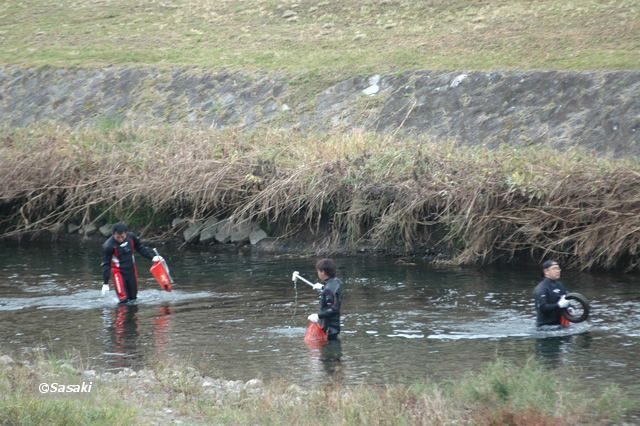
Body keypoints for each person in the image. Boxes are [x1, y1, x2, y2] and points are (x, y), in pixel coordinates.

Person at [101, 222, 162, 303]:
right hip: (118, 274)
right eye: (117, 237)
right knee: (123, 300)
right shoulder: (109, 246)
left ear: (126, 233)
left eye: (122, 237)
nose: (120, 239)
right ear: (113, 234)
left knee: (133, 299)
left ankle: (132, 315)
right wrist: (105, 283)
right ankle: (121, 314)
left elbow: (140, 248)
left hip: (132, 273)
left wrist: (153, 257)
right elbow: (106, 264)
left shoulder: (131, 237)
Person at [307, 258, 343, 340]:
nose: (318, 274)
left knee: (327, 351)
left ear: (323, 272)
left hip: (329, 328)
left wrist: (318, 316)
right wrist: (322, 287)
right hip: (335, 327)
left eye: (318, 271)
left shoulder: (329, 288)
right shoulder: (337, 282)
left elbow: (334, 309)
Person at [533, 259, 570, 327]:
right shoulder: (541, 288)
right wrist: (558, 305)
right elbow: (542, 307)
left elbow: (566, 299)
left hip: (560, 325)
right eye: (554, 268)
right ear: (546, 271)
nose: (558, 271)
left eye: (558, 268)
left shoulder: (560, 285)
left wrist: (570, 307)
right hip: (545, 328)